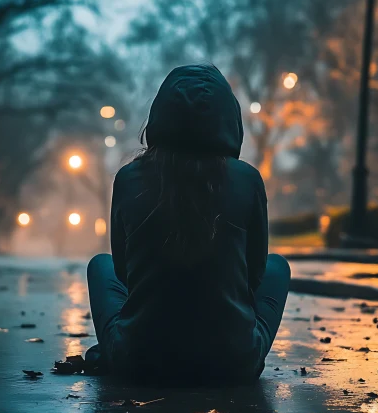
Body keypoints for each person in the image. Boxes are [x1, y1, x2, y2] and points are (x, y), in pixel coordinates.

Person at [86, 64, 290, 384]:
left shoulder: (129, 178)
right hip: (232, 363)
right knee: (278, 267)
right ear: (229, 121)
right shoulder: (247, 179)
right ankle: (235, 342)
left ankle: (123, 344)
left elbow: (124, 273)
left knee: (101, 266)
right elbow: (255, 273)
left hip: (139, 360)